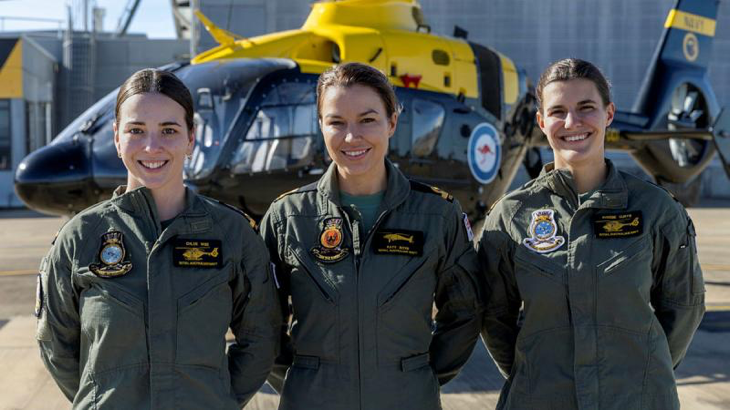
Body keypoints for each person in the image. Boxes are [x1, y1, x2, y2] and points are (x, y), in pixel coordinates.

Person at [35, 68, 281, 409]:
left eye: (169, 130)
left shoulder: (232, 234)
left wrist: (216, 400)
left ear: (191, 138)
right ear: (117, 138)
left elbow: (261, 339)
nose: (152, 146)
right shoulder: (81, 237)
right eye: (136, 130)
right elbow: (56, 344)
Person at [479, 58, 705, 409]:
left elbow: (683, 307)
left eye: (586, 108)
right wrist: (536, 374)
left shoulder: (656, 210)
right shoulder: (511, 216)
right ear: (542, 122)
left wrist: (641, 371)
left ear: (608, 114)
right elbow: (494, 318)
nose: (572, 122)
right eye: (558, 111)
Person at [260, 62, 483, 410]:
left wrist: (413, 376)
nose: (352, 137)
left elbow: (465, 313)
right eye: (336, 122)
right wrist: (304, 378)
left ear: (392, 122)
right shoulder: (288, 217)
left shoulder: (438, 215)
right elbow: (262, 322)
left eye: (368, 120)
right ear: (321, 125)